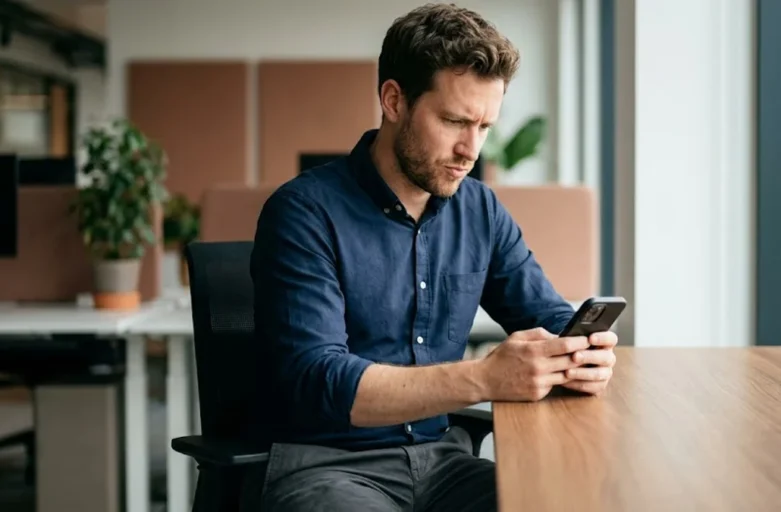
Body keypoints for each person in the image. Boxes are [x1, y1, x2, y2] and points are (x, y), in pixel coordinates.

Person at [243, 3, 618, 511]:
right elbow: (318, 380)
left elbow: (547, 317)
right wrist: (484, 378)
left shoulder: (480, 209)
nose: (471, 149)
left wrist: (580, 353)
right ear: (394, 100)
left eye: (484, 126)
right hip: (328, 471)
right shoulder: (303, 213)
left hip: (444, 465)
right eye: (455, 121)